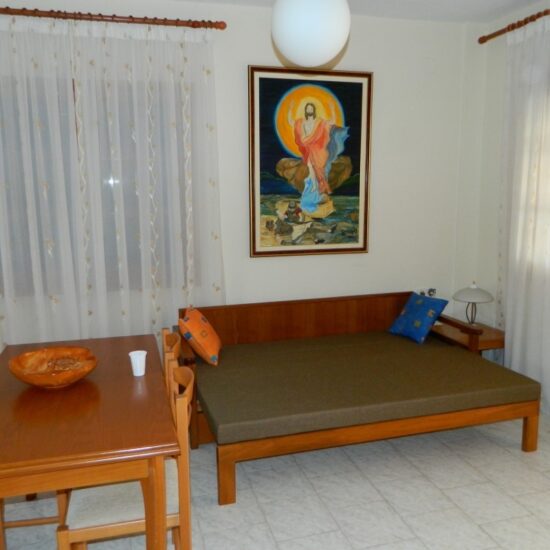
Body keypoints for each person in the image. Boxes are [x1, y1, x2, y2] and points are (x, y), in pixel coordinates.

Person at [288, 100, 348, 213]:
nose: (309, 110)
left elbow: (332, 121)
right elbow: (291, 122)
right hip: (308, 148)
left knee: (317, 169)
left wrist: (332, 109)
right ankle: (313, 191)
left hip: (318, 149)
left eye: (311, 108)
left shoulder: (319, 121)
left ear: (313, 110)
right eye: (308, 108)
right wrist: (290, 109)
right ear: (306, 111)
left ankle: (315, 190)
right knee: (311, 167)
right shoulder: (302, 122)